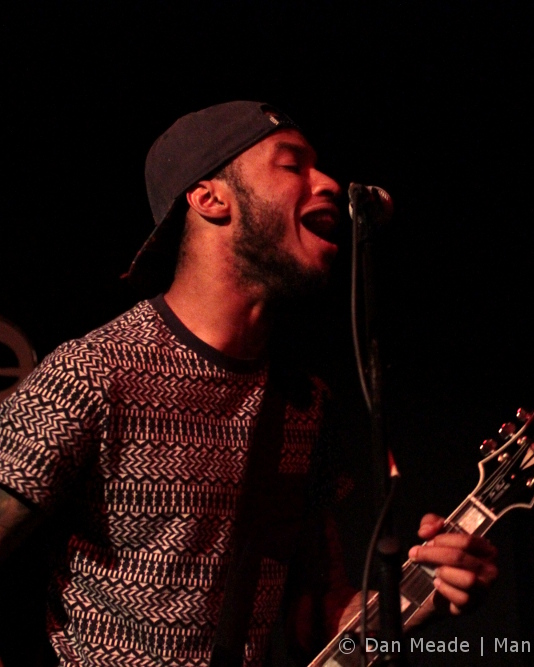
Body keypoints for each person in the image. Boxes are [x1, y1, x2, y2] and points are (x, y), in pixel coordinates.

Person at [0, 101, 498, 666]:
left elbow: (317, 615)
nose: (330, 182)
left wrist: (425, 594)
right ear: (210, 197)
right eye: (293, 165)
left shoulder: (303, 402)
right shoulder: (92, 374)